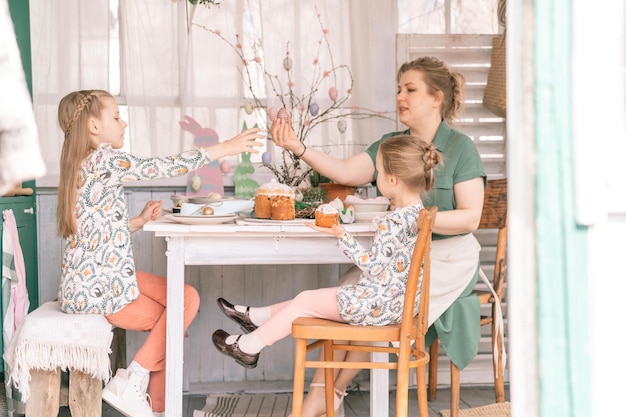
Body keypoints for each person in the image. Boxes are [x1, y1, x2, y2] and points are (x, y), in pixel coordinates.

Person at [270, 56, 486, 417]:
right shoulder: (392, 143)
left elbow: (470, 218)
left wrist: (416, 221)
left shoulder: (462, 147)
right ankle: (324, 397)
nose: (400, 96)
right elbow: (345, 172)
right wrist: (297, 147)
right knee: (352, 291)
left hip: (449, 258)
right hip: (400, 257)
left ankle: (322, 398)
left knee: (374, 298)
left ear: (437, 98)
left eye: (410, 89)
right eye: (399, 89)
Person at [56, 89, 263, 417]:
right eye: (115, 117)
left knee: (184, 302)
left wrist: (137, 221)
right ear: (93, 126)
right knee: (177, 317)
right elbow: (163, 166)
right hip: (102, 292)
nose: (123, 123)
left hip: (98, 282)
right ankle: (138, 384)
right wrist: (227, 147)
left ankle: (153, 404)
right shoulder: (105, 158)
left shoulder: (80, 163)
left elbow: (95, 231)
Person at [212, 135, 442, 415]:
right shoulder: (417, 213)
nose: (375, 178)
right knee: (308, 300)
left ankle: (250, 344)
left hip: (377, 306)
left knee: (307, 300)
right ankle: (254, 319)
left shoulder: (394, 221)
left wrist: (341, 234)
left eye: (378, 173)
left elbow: (373, 267)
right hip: (397, 305)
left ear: (392, 180)